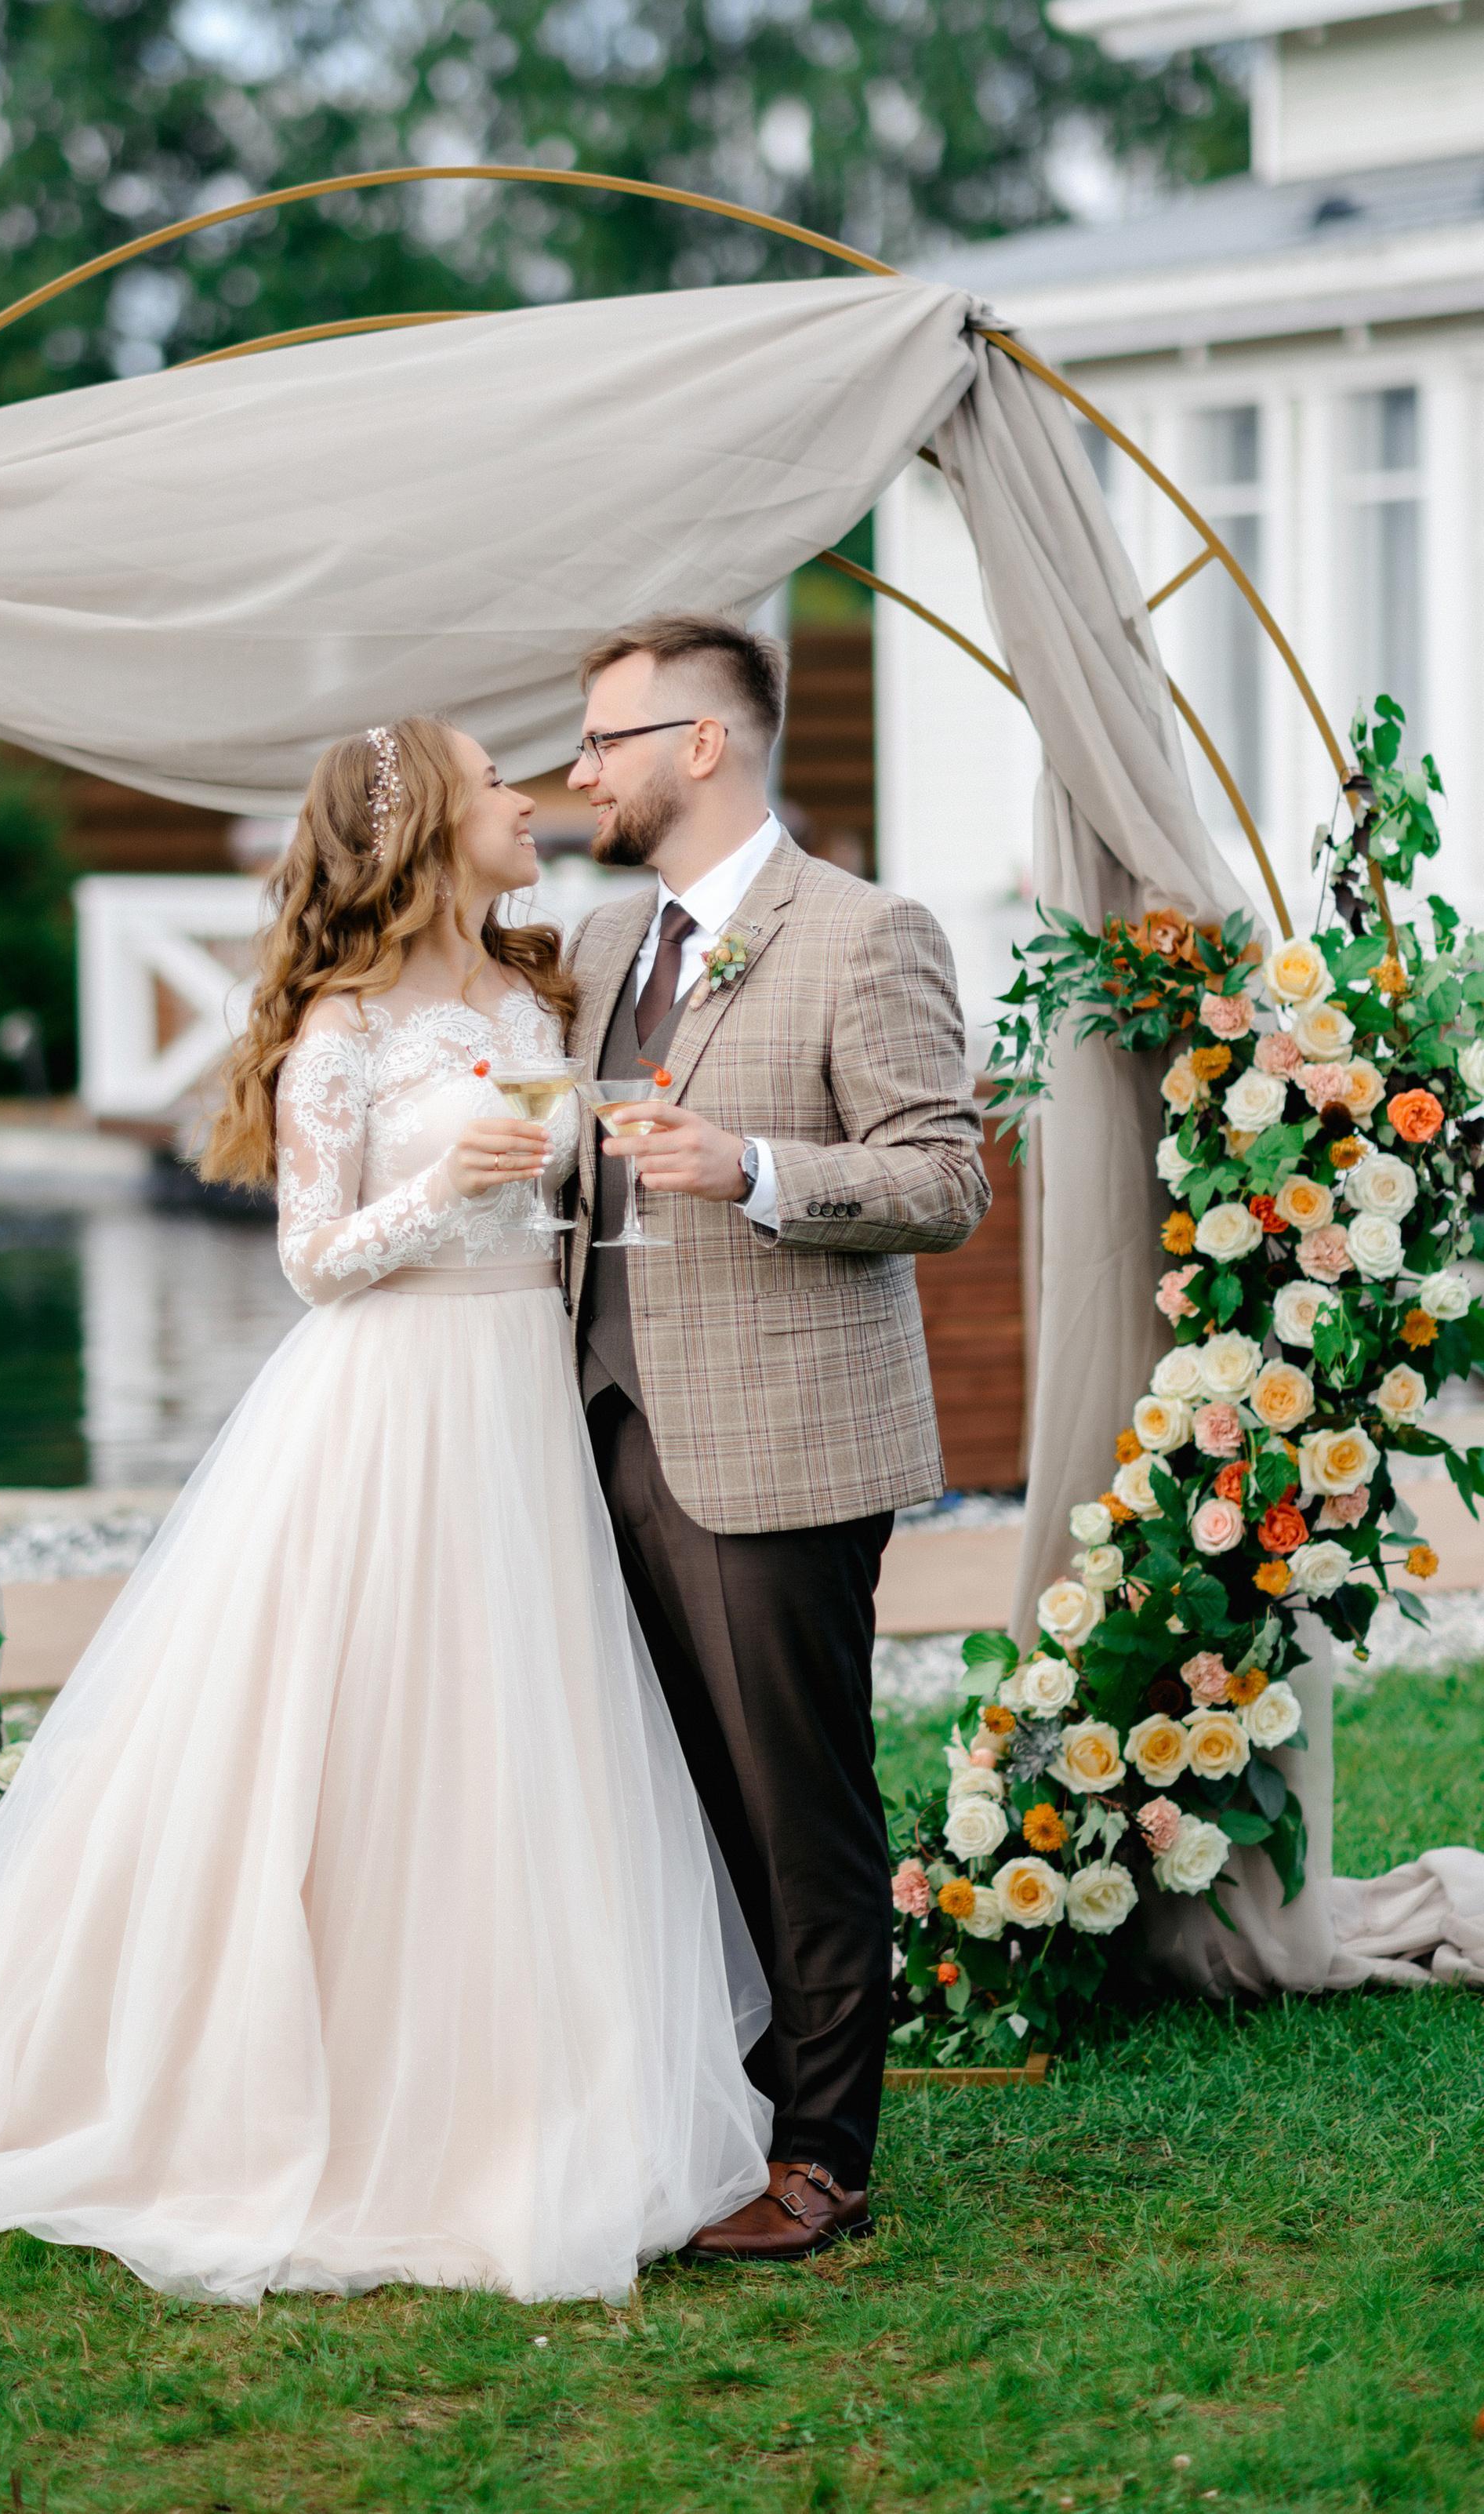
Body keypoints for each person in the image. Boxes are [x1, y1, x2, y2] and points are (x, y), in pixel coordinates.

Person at [0, 717, 770, 2304]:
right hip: (391, 1408)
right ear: (421, 827)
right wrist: (443, 1184)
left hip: (524, 1401)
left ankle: (534, 2085)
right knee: (360, 1728)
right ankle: (291, 2080)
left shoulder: (541, 993)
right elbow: (313, 1259)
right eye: (492, 784)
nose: (526, 800)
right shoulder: (339, 1030)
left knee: (516, 1723)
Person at [562, 612, 989, 2260]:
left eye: (602, 740)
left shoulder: (867, 932)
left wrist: (748, 1167)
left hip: (778, 1439)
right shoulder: (604, 940)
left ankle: (821, 2155)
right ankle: (722, 2112)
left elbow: (943, 1176)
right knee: (677, 1795)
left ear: (702, 743)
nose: (578, 772)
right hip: (600, 1428)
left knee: (795, 1805)